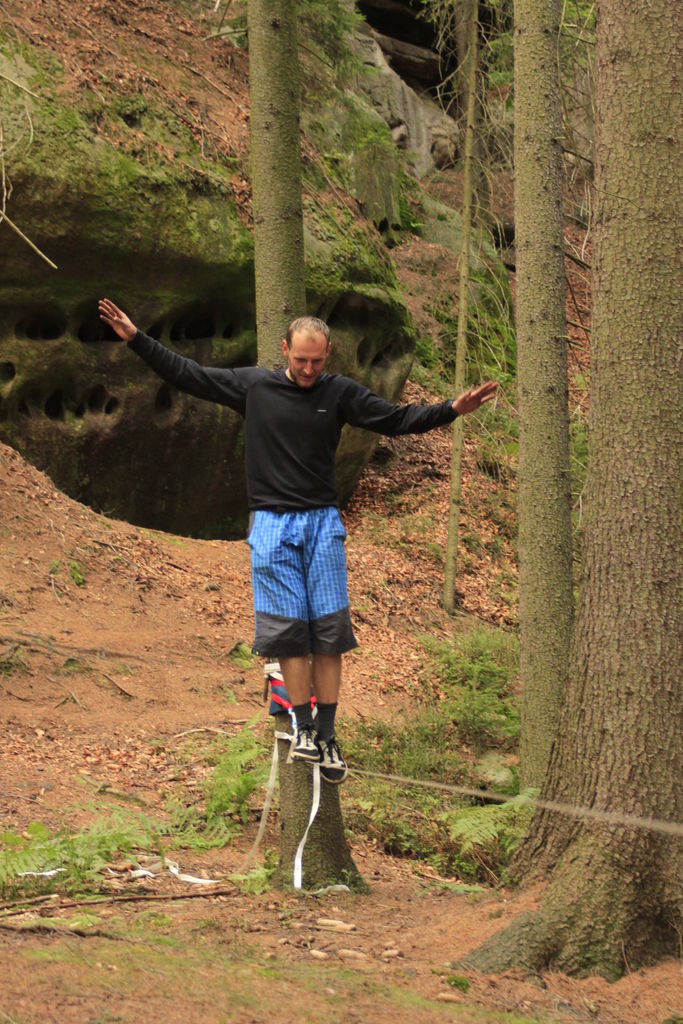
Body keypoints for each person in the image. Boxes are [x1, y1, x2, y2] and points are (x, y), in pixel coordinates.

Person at [98, 298, 497, 784]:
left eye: (317, 361)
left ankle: (328, 737)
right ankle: (302, 728)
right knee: (289, 632)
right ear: (285, 350)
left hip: (321, 523)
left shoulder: (340, 392)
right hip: (270, 525)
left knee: (328, 634)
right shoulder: (254, 386)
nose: (308, 369)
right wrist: (137, 338)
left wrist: (452, 410)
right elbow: (189, 375)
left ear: (327, 357)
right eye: (300, 359)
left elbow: (394, 420)